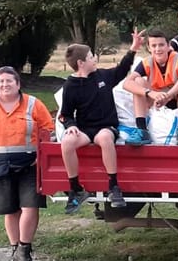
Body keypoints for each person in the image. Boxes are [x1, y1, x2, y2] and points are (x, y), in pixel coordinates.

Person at [0, 66, 55, 261]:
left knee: (30, 207)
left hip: (30, 166)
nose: (5, 85)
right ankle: (15, 250)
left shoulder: (34, 104)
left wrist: (40, 158)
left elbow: (51, 132)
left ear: (18, 84)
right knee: (10, 210)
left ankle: (25, 251)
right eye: (1, 82)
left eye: (9, 81)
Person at [58, 30, 144, 209]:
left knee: (105, 138)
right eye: (91, 56)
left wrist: (133, 49)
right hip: (84, 129)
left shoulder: (103, 76)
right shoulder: (70, 86)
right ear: (81, 63)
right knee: (66, 142)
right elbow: (65, 113)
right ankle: (75, 189)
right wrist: (71, 125)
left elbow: (121, 70)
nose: (95, 58)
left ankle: (113, 186)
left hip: (106, 126)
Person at [122, 29, 178, 146]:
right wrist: (150, 93)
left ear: (168, 46)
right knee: (137, 81)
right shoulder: (147, 62)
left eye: (161, 45)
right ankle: (142, 130)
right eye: (154, 46)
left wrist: (169, 95)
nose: (158, 49)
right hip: (157, 99)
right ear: (149, 48)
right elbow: (126, 83)